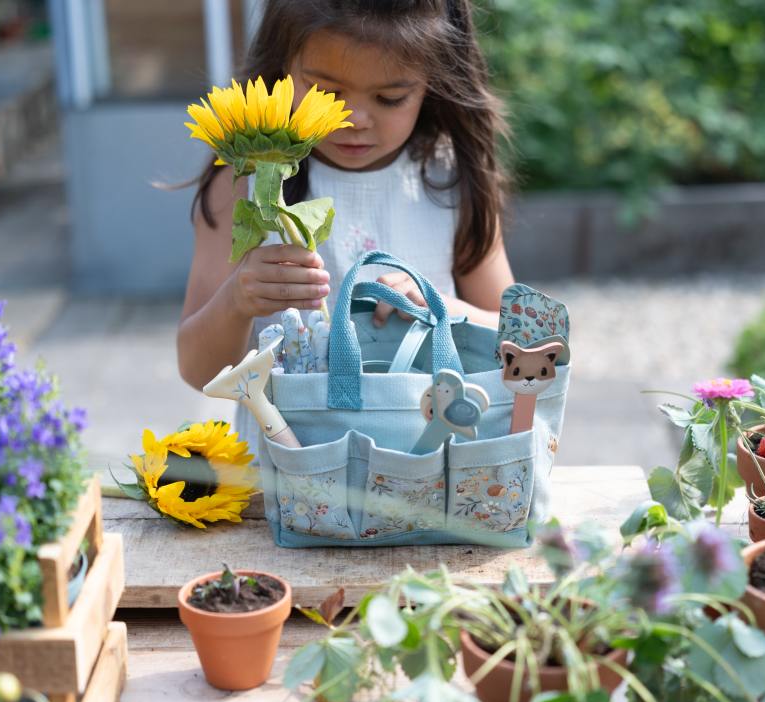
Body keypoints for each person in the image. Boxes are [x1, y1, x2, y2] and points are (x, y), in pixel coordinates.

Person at [177, 0, 515, 447]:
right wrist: (237, 301)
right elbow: (200, 371)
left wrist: (445, 310)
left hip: (427, 477)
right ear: (283, 70)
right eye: (325, 92)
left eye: (390, 97)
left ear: (432, 84)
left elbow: (518, 341)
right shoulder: (243, 181)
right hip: (289, 479)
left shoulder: (448, 180)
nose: (354, 119)